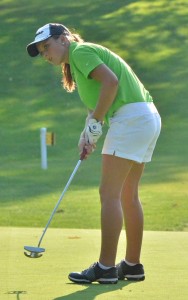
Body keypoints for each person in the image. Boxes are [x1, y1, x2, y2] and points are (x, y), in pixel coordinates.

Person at [26, 23, 161, 284]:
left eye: (47, 47)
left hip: (131, 119)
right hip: (146, 118)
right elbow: (98, 101)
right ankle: (132, 266)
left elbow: (111, 82)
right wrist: (87, 133)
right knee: (127, 195)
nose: (45, 54)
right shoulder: (76, 63)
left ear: (64, 38)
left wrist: (96, 122)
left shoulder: (80, 52)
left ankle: (106, 267)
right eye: (42, 52)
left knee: (108, 194)